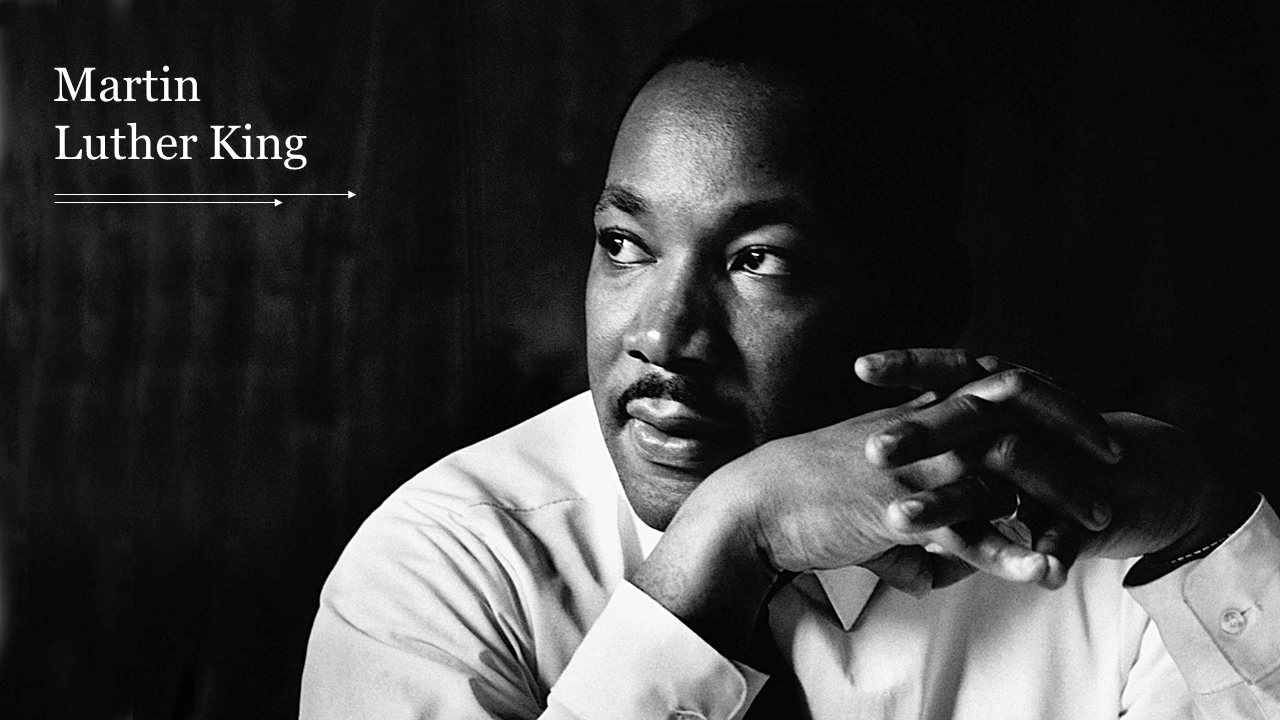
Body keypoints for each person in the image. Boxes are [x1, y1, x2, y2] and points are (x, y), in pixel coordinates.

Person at [300, 5, 1279, 718]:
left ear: (926, 302)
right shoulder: (450, 565)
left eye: (755, 260)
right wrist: (730, 540)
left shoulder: (1092, 559)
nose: (661, 336)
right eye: (623, 244)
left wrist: (1206, 532)